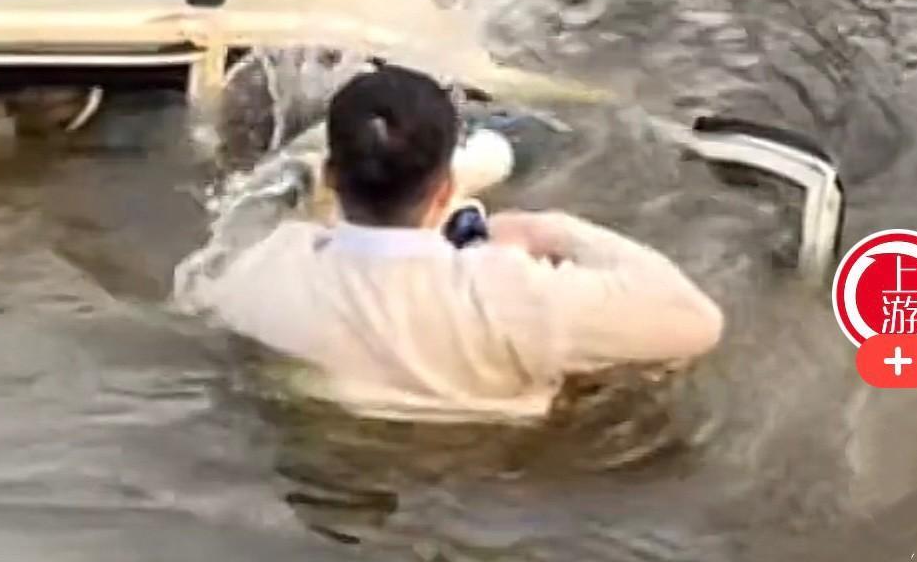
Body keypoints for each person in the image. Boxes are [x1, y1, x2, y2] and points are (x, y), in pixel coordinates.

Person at [174, 63, 724, 420]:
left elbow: (203, 287)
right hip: (491, 464)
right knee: (541, 136)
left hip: (338, 437)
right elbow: (697, 322)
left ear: (334, 178)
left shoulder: (264, 276)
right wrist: (548, 228)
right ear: (446, 188)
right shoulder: (517, 296)